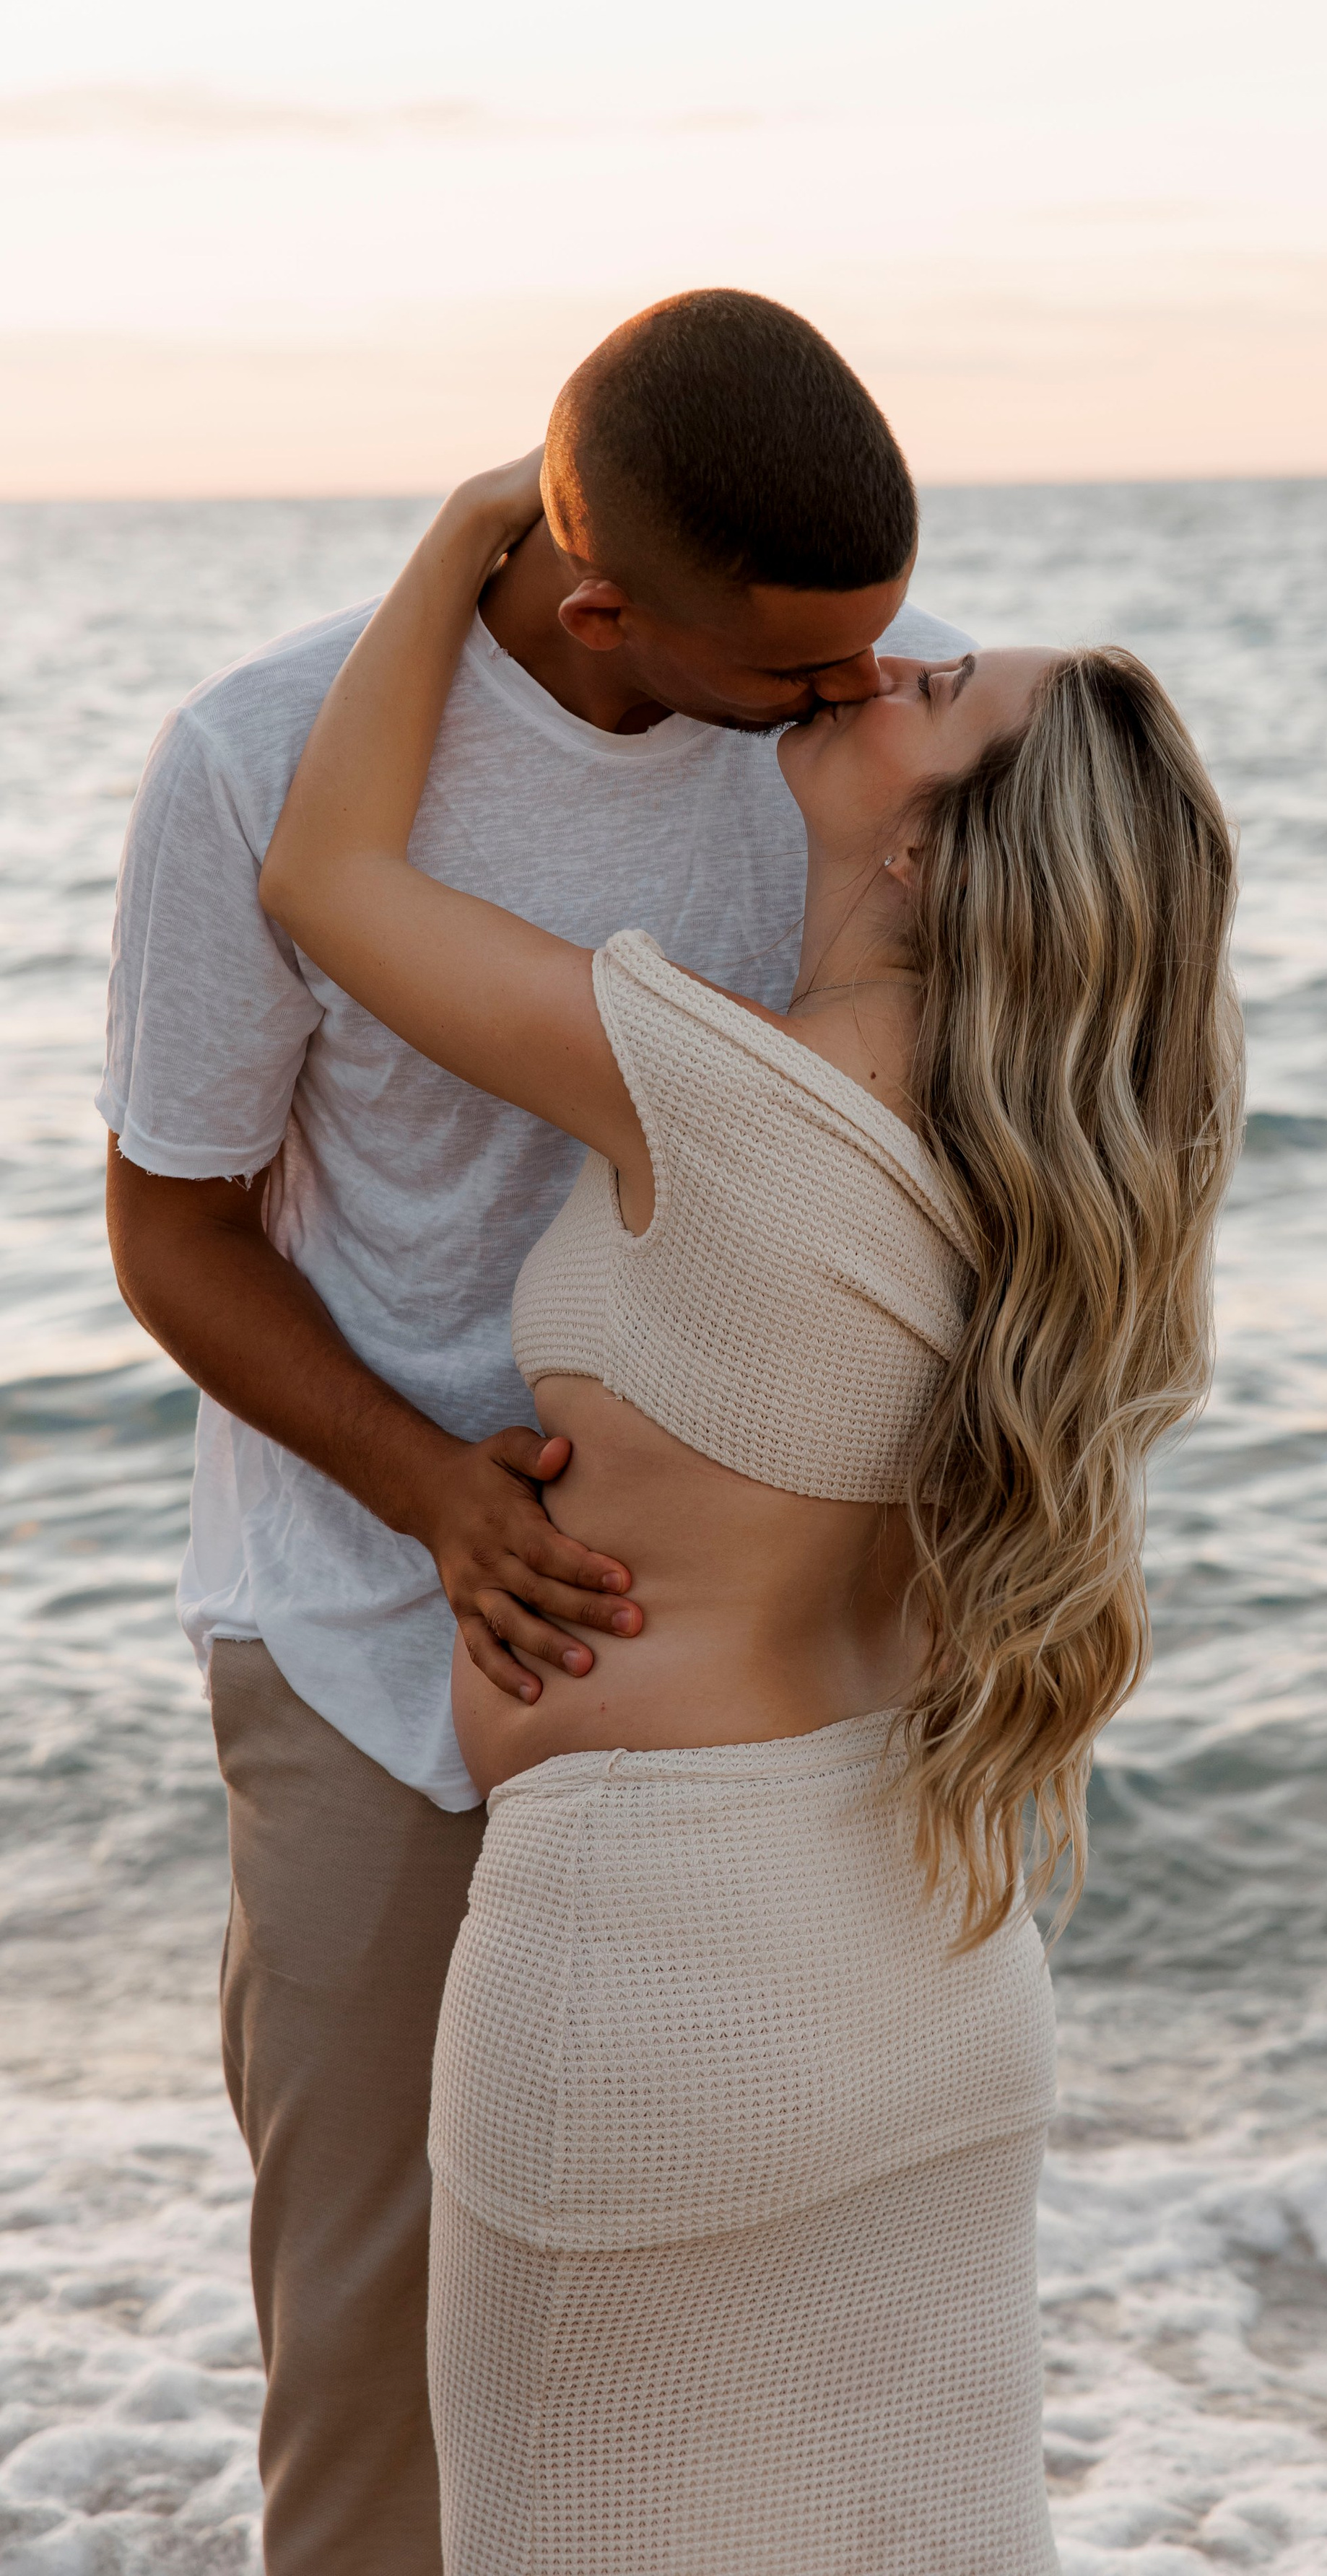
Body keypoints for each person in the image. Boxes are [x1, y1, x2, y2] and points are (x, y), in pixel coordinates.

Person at [258, 449, 1244, 2570]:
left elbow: (324, 878)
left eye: (932, 687)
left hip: (660, 1980)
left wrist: (467, 529)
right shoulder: (1050, 1192)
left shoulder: (713, 1082)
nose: (875, 672)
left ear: (937, 832)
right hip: (928, 1963)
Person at [100, 290, 975, 2576]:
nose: (869, 693)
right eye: (805, 669)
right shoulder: (264, 756)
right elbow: (174, 1226)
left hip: (743, 1712)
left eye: (886, 645)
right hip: (372, 1645)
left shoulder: (880, 751)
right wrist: (432, 1492)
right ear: (605, 606)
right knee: (384, 2367)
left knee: (737, 2338)